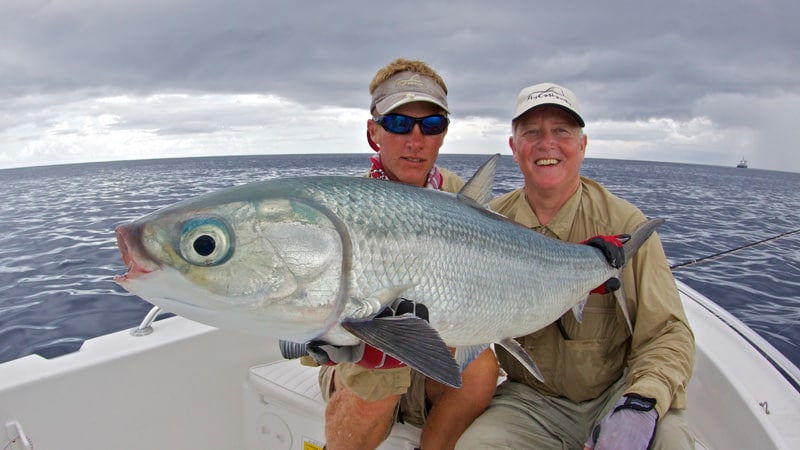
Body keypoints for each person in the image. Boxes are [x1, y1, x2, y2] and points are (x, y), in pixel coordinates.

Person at [455, 83, 696, 450]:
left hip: (616, 391)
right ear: (514, 147)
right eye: (531, 132)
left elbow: (669, 333)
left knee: (673, 443)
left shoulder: (624, 223)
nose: (546, 143)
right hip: (529, 401)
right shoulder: (484, 223)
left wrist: (640, 404)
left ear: (582, 145)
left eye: (561, 131)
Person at [309, 58, 499, 450]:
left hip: (430, 358)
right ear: (372, 131)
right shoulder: (349, 209)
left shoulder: (461, 196)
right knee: (374, 371)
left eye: (431, 125)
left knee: (480, 368)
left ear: (444, 134)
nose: (416, 139)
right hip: (357, 364)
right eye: (398, 123)